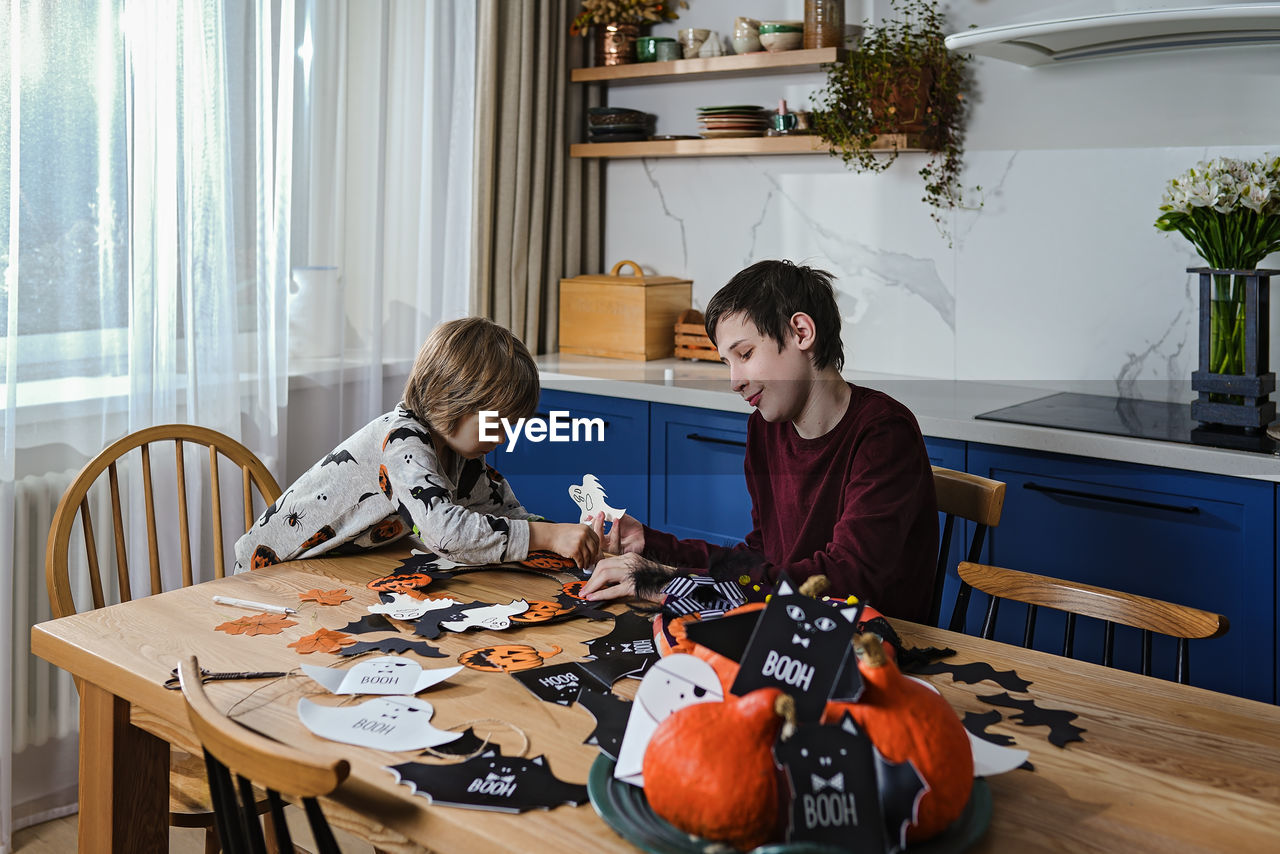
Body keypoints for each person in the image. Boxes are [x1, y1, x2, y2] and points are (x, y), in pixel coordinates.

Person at [581, 260, 938, 622]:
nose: (734, 381)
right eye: (727, 363)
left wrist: (673, 582)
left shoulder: (884, 434)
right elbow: (760, 561)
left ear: (801, 332)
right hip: (789, 632)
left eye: (745, 354)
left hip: (876, 648)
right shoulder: (765, 429)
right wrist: (654, 546)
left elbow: (848, 580)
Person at [234, 317, 600, 573]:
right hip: (271, 570)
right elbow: (445, 533)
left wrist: (572, 538)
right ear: (452, 400)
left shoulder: (464, 456)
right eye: (495, 423)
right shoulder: (402, 442)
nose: (503, 437)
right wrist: (548, 535)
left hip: (334, 567)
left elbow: (505, 517)